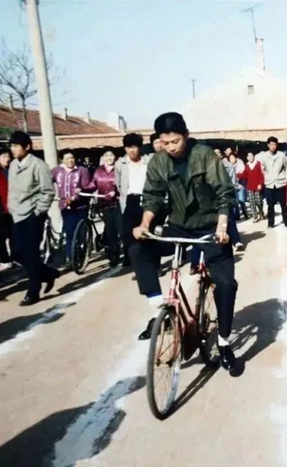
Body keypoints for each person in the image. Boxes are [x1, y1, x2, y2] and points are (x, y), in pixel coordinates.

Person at [130, 112, 240, 372]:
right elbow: (153, 196)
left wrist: (222, 227)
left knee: (225, 284)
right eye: (165, 142)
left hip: (211, 227)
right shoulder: (158, 161)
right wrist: (144, 225)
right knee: (138, 250)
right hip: (179, 225)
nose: (171, 147)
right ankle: (160, 309)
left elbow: (224, 193)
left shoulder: (204, 155)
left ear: (186, 136)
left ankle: (224, 342)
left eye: (175, 141)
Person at [7, 131, 59, 306]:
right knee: (17, 253)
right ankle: (48, 273)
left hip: (32, 215)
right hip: (16, 215)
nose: (13, 149)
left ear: (27, 146)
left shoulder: (38, 165)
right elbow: (11, 190)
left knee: (31, 254)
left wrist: (38, 212)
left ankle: (33, 291)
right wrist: (11, 208)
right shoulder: (13, 165)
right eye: (11, 146)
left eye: (16, 145)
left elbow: (48, 191)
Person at [115, 133, 150, 267]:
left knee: (147, 233)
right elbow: (118, 184)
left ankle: (151, 262)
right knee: (128, 234)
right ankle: (133, 262)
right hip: (129, 201)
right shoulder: (120, 164)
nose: (131, 151)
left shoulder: (148, 161)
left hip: (147, 199)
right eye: (128, 147)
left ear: (139, 147)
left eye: (134, 147)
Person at [52, 150, 92, 263]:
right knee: (69, 231)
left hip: (80, 206)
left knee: (80, 232)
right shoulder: (56, 171)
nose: (70, 160)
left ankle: (81, 251)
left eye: (72, 158)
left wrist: (78, 194)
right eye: (67, 158)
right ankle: (70, 256)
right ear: (62, 160)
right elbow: (47, 183)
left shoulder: (82, 170)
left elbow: (86, 186)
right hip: (65, 207)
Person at [90, 150, 121, 266]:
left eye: (111, 155)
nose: (109, 158)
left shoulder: (120, 168)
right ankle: (113, 256)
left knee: (121, 229)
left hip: (119, 203)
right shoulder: (98, 170)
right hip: (104, 204)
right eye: (106, 156)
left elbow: (124, 183)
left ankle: (128, 255)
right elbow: (93, 184)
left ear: (115, 157)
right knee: (110, 230)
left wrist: (116, 191)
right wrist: (81, 189)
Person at [258, 137, 287, 228]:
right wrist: (267, 177)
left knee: (283, 204)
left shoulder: (281, 155)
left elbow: (285, 167)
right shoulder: (264, 156)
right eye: (271, 144)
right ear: (268, 145)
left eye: (274, 144)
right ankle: (270, 223)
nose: (273, 146)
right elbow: (262, 169)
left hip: (280, 183)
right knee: (270, 205)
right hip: (269, 184)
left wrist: (284, 177)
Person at [237, 151, 265, 221]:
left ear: (253, 156)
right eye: (248, 156)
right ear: (247, 158)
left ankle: (261, 212)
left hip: (258, 186)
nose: (250, 157)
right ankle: (255, 216)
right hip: (250, 186)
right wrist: (237, 175)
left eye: (251, 156)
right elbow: (244, 175)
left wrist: (260, 184)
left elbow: (262, 175)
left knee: (258, 201)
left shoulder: (258, 164)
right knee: (252, 202)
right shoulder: (247, 166)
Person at [0, 148, 12, 270]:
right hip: (2, 209)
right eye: (4, 156)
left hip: (12, 208)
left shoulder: (11, 171)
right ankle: (5, 259)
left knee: (15, 235)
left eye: (8, 156)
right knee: (1, 236)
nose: (7, 159)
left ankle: (15, 258)